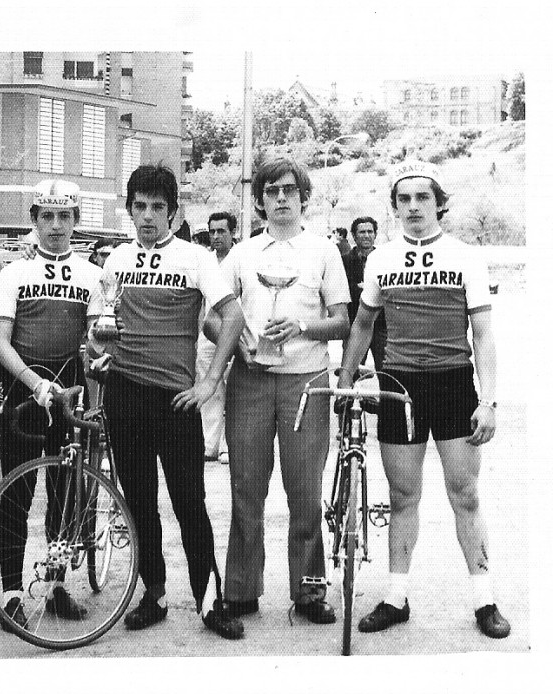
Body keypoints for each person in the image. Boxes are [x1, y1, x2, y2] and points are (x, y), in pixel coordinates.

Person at [339, 160, 510, 639]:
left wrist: (489, 401)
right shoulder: (381, 258)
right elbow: (363, 324)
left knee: (466, 494)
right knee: (403, 497)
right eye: (404, 200)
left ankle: (485, 600)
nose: (413, 207)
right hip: (399, 386)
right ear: (395, 208)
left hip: (454, 384)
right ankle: (396, 598)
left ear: (439, 204)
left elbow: (483, 333)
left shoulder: (465, 255)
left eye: (422, 198)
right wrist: (349, 378)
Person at [93, 164, 246, 640]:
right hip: (124, 395)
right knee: (139, 504)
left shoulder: (196, 257)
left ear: (175, 212)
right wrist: (99, 354)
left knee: (190, 505)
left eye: (158, 207)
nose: (148, 216)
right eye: (139, 206)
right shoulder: (116, 260)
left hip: (175, 401)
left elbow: (233, 317)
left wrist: (208, 382)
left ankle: (208, 602)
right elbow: (102, 325)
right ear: (129, 209)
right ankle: (153, 594)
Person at [215, 156, 350, 625]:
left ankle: (310, 592)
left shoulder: (324, 251)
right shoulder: (241, 254)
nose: (280, 199)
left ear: (303, 196)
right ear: (258, 202)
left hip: (307, 381)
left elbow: (343, 321)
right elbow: (211, 318)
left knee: (304, 492)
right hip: (250, 382)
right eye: (271, 192)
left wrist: (303, 325)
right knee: (246, 489)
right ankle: (242, 590)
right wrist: (239, 344)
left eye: (289, 190)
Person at [0, 179, 103, 630]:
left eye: (65, 217)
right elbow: (0, 342)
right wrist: (34, 382)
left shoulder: (93, 274)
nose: (56, 226)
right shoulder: (13, 272)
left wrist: (95, 385)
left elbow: (95, 341)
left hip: (70, 391)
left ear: (76, 221)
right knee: (17, 492)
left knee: (64, 491)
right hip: (25, 390)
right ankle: (13, 592)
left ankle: (56, 585)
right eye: (47, 217)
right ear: (34, 219)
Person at [198, 211, 237, 463]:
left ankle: (227, 446)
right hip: (207, 334)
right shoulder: (205, 260)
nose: (216, 237)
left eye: (221, 231)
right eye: (212, 232)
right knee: (208, 388)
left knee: (233, 388)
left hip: (234, 332)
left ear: (232, 232)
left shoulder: (241, 258)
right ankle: (209, 444)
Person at [341, 216, 387, 369]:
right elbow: (342, 289)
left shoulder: (385, 260)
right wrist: (364, 289)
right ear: (354, 236)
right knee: (350, 372)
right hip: (355, 324)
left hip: (382, 325)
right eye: (362, 232)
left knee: (386, 371)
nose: (366, 235)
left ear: (375, 234)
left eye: (370, 231)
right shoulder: (344, 261)